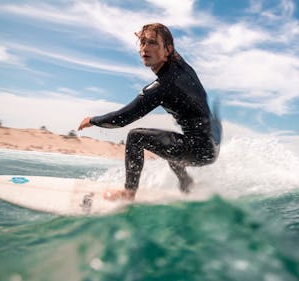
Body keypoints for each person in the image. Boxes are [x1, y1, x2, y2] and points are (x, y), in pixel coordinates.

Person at [78, 23, 221, 200]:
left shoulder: (162, 87)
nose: (145, 48)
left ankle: (128, 193)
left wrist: (93, 120)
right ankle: (187, 184)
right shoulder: (180, 65)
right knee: (172, 146)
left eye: (152, 43)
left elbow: (121, 119)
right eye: (142, 43)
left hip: (200, 150)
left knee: (136, 137)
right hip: (211, 147)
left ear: (167, 50)